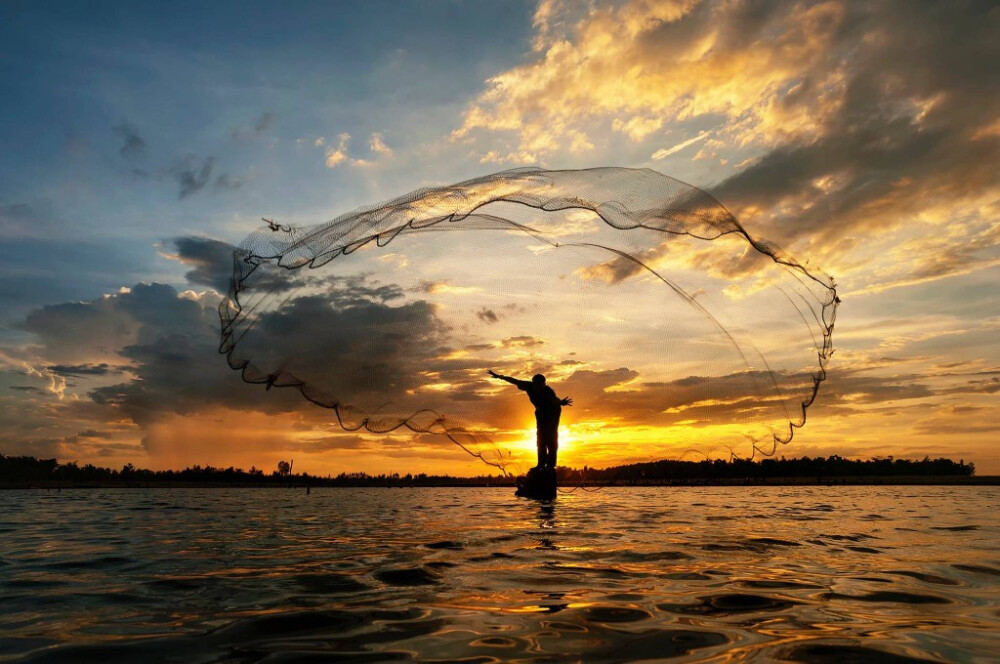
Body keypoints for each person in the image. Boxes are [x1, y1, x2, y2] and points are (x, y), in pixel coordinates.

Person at [487, 370, 572, 469]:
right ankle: (541, 463)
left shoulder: (548, 391)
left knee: (551, 437)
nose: (538, 388)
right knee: (541, 438)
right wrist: (499, 376)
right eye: (536, 385)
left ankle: (550, 464)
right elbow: (514, 380)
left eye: (540, 385)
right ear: (533, 383)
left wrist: (561, 402)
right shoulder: (528, 386)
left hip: (553, 412)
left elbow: (555, 400)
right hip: (540, 413)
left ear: (544, 384)